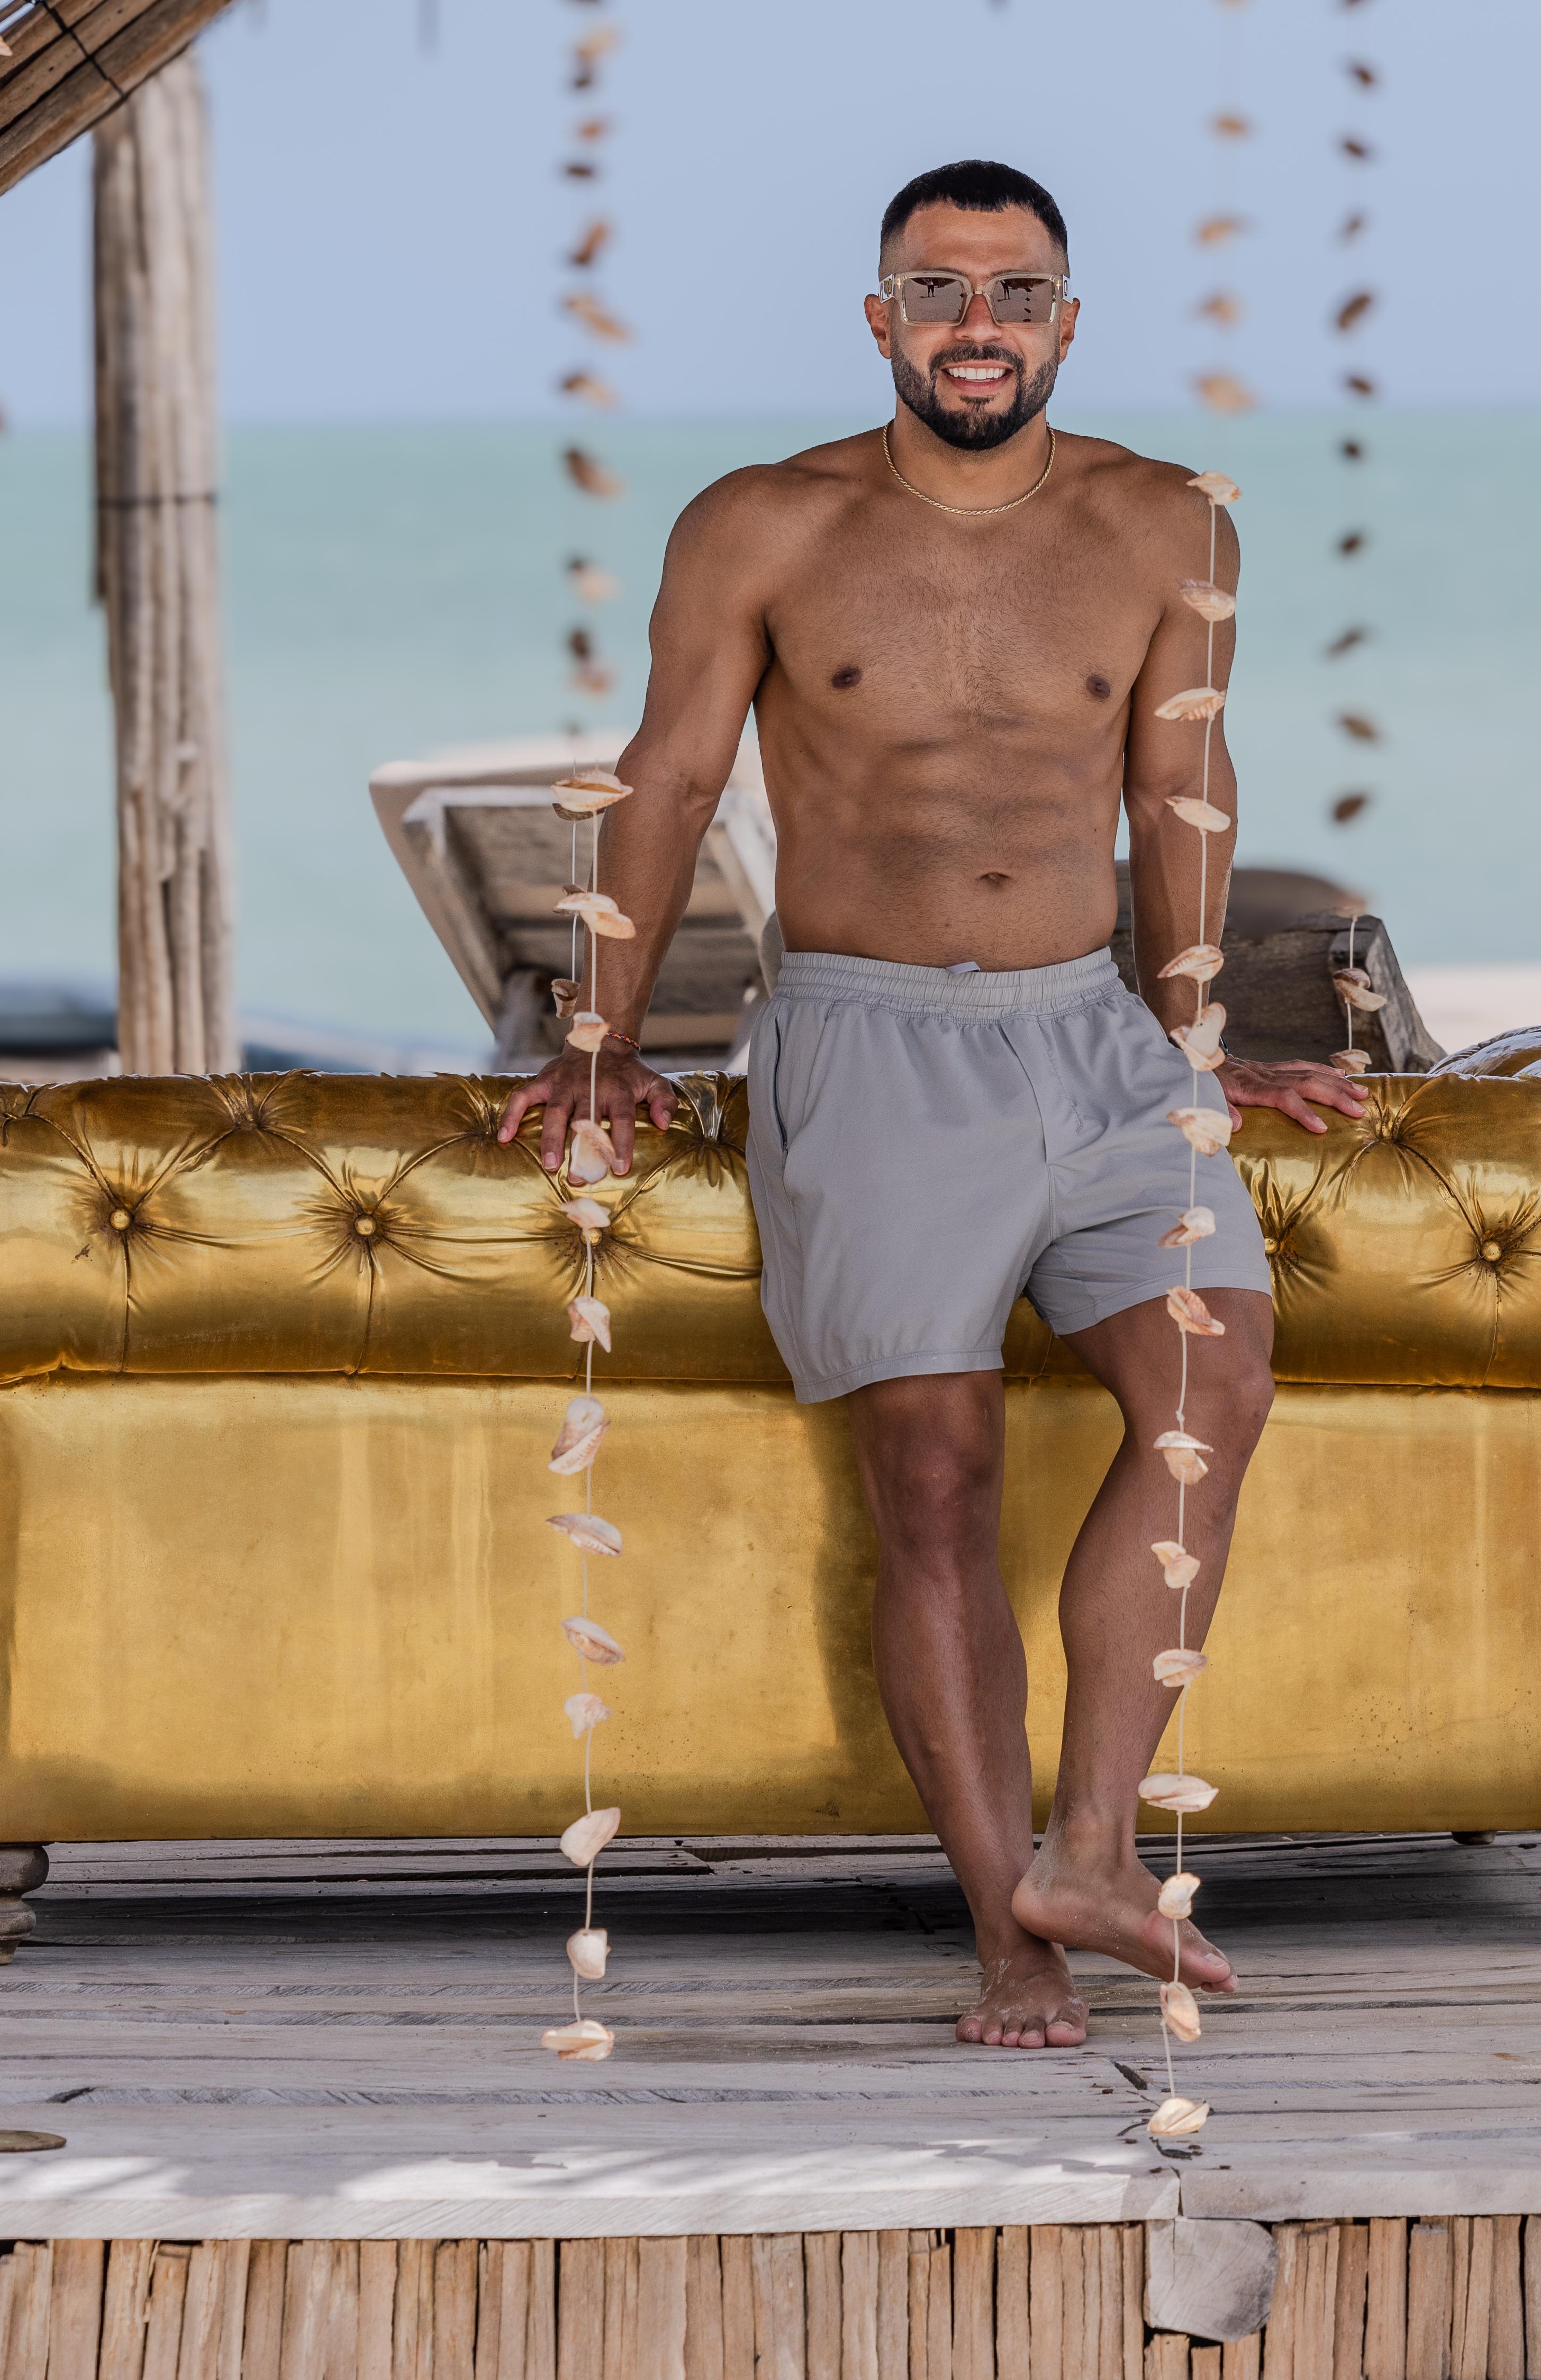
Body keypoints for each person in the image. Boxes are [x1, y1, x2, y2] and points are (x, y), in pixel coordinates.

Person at [500, 160, 1361, 2048]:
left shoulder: (1171, 524)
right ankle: (1011, 1942)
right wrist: (599, 1036)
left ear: (1068, 321)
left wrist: (1196, 1042)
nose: (981, 325)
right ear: (882, 319)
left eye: (1016, 291)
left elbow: (1181, 795)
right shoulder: (763, 524)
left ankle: (1093, 1849)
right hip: (869, 1041)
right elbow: (667, 777)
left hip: (1097, 1041)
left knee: (1213, 1389)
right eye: (943, 290)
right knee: (938, 1481)